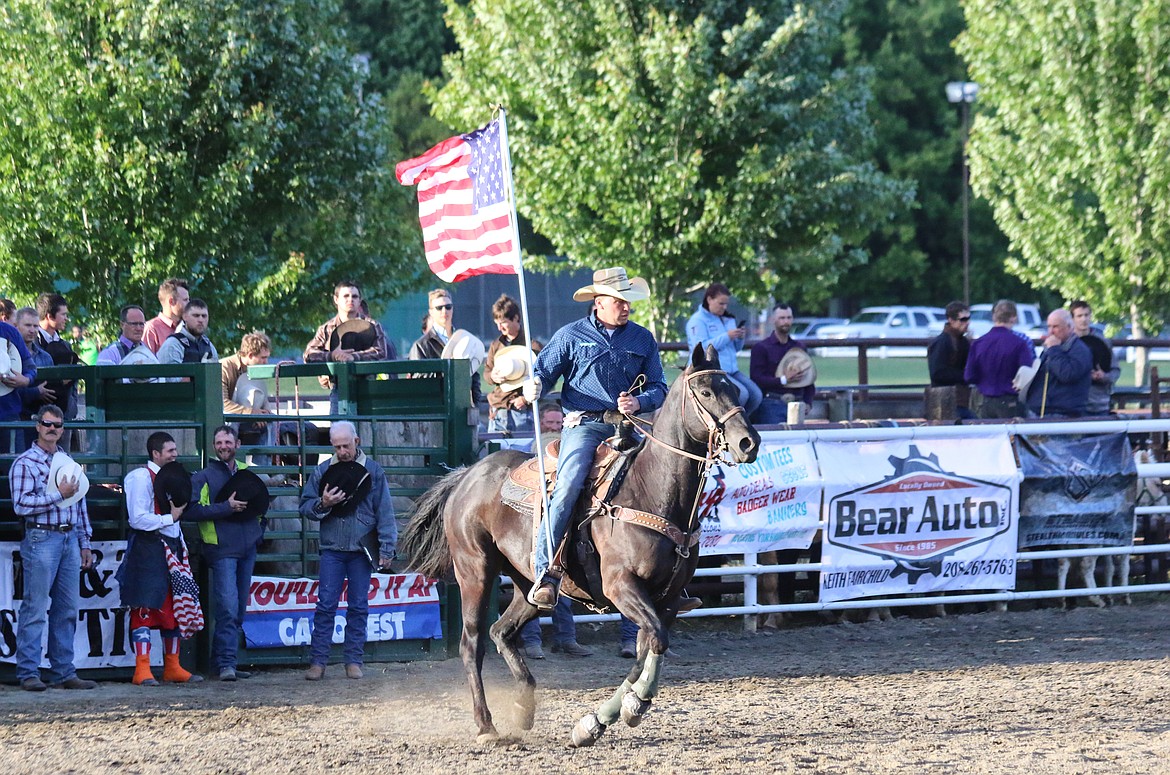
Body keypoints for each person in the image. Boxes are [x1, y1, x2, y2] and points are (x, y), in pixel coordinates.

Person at [521, 267, 668, 609]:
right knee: (569, 484)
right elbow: (543, 371)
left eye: (628, 300)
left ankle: (669, 575)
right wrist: (535, 384)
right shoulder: (571, 335)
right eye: (619, 300)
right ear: (599, 302)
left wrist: (640, 401)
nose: (626, 306)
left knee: (664, 479)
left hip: (629, 425)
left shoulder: (642, 339)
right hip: (583, 425)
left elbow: (660, 387)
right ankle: (545, 570)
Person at [299, 421, 397, 680]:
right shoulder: (322, 471)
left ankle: (354, 660)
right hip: (333, 547)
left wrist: (387, 548)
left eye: (346, 445)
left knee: (358, 606)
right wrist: (323, 503)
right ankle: (318, 662)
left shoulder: (374, 472)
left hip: (360, 549)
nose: (342, 451)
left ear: (357, 441)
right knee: (326, 605)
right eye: (337, 447)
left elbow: (384, 512)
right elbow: (305, 506)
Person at [10, 406, 97, 691]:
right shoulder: (25, 463)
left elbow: (80, 503)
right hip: (42, 537)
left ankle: (61, 671)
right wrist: (59, 495)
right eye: (47, 423)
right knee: (36, 607)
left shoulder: (65, 460)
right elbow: (21, 504)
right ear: (38, 426)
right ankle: (30, 672)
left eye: (57, 425)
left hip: (66, 537)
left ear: (61, 428)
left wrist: (85, 542)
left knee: (66, 608)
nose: (53, 428)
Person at [118, 431, 205, 685]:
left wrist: (180, 543)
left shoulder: (174, 477)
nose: (175, 454)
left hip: (171, 546)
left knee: (174, 607)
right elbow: (137, 518)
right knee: (144, 605)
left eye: (175, 450)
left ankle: (172, 666)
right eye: (170, 450)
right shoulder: (139, 478)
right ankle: (142, 669)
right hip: (147, 547)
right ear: (156, 453)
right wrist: (172, 518)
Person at [186, 426, 265, 681]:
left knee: (238, 609)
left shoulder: (245, 472)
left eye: (227, 441)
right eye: (219, 442)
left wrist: (257, 534)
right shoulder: (204, 476)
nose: (223, 446)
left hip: (246, 548)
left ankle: (222, 663)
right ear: (214, 446)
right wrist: (226, 508)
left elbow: (261, 506)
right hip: (221, 550)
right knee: (228, 608)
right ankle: (226, 664)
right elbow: (191, 511)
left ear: (237, 444)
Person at [518, 401, 592, 659]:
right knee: (532, 580)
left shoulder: (571, 446)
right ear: (541, 423)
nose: (553, 427)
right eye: (549, 422)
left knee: (559, 579)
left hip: (559, 522)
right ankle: (532, 640)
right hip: (533, 520)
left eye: (558, 423)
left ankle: (566, 638)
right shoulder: (534, 448)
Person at [304, 280, 393, 414]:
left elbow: (381, 352)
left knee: (367, 432)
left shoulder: (373, 326)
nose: (350, 299)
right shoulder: (326, 329)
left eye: (355, 296)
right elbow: (309, 355)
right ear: (336, 299)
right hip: (338, 389)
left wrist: (353, 357)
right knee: (338, 432)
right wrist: (332, 355)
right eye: (346, 296)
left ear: (360, 300)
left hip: (368, 388)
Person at [685, 283, 762, 418]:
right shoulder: (697, 321)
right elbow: (701, 348)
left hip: (731, 369)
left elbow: (736, 349)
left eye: (726, 304)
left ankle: (741, 422)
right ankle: (726, 424)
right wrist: (727, 336)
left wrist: (739, 338)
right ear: (709, 300)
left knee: (756, 395)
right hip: (711, 370)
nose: (724, 307)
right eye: (721, 303)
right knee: (741, 394)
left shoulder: (728, 319)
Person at [409, 289, 484, 407]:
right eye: (439, 308)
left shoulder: (463, 339)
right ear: (431, 312)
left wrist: (475, 404)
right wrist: (448, 369)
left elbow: (474, 374)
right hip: (435, 409)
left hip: (463, 407)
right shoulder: (421, 345)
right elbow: (419, 383)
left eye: (448, 306)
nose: (444, 311)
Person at [963, 300, 1035, 419]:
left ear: (993, 317)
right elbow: (1027, 374)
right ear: (1014, 318)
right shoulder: (1019, 344)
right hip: (1010, 402)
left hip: (984, 402)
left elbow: (969, 376)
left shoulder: (978, 343)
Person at [484, 294, 542, 434]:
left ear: (516, 318)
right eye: (497, 323)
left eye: (503, 322)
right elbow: (487, 372)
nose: (499, 328)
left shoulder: (533, 347)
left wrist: (525, 399)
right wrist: (492, 376)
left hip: (521, 410)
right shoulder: (496, 345)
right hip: (498, 409)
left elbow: (545, 379)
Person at [749, 304, 816, 424]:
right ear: (773, 320)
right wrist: (783, 380)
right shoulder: (761, 348)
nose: (786, 321)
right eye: (782, 318)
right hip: (771, 402)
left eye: (789, 318)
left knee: (798, 441)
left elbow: (809, 379)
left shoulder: (799, 347)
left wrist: (808, 402)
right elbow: (756, 378)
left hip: (798, 403)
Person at [1025, 308, 1092, 418]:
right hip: (1041, 410)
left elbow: (1067, 374)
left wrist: (1054, 349)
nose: (1051, 331)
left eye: (1055, 327)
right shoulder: (1052, 347)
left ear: (1069, 327)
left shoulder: (1079, 350)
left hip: (1063, 413)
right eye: (1049, 326)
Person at [35, 292, 80, 424]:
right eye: (63, 314)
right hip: (37, 416)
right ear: (49, 316)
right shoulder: (31, 344)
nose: (67, 319)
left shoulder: (66, 345)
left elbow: (73, 381)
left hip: (65, 417)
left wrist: (72, 405)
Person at [1070, 300, 1119, 416]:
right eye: (1079, 316)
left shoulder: (1103, 342)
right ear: (1072, 319)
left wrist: (1104, 376)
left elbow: (1115, 370)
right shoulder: (1068, 343)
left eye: (1086, 315)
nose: (1083, 319)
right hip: (1075, 404)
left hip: (1100, 403)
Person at [926, 301, 974, 420]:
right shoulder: (943, 342)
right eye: (963, 319)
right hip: (944, 401)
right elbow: (937, 373)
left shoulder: (961, 342)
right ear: (951, 320)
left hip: (957, 400)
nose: (967, 323)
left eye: (968, 319)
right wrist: (966, 375)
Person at [0, 314, 35, 453]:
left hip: (9, 415)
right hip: (10, 415)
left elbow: (30, 367)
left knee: (14, 469)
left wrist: (25, 380)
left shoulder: (9, 331)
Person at [156, 298, 219, 368]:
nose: (201, 320)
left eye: (204, 316)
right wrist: (200, 370)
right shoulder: (173, 345)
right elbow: (169, 377)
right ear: (185, 317)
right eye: (196, 315)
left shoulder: (209, 346)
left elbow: (216, 376)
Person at [143, 277, 190, 354]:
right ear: (171, 301)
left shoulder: (188, 327)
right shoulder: (151, 329)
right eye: (185, 300)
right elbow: (146, 363)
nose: (189, 304)